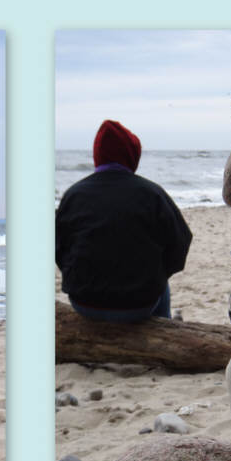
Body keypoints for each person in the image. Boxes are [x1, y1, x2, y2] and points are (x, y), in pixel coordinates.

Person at [56, 119, 192, 323]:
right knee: (162, 286)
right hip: (139, 305)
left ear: (97, 155)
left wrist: (78, 275)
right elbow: (180, 243)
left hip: (85, 301)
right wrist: (157, 275)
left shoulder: (74, 195)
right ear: (132, 155)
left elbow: (59, 248)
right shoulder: (152, 194)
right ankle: (164, 329)